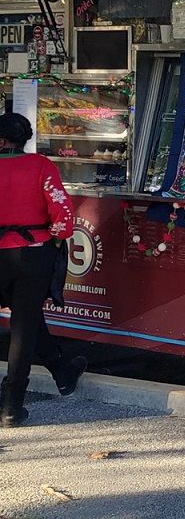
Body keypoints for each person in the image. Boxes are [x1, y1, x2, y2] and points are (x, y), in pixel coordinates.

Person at [0, 112, 87, 426]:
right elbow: (63, 218)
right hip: (33, 256)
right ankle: (11, 406)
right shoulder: (41, 166)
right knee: (24, 326)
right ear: (23, 140)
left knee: (28, 321)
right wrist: (51, 235)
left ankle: (62, 370)